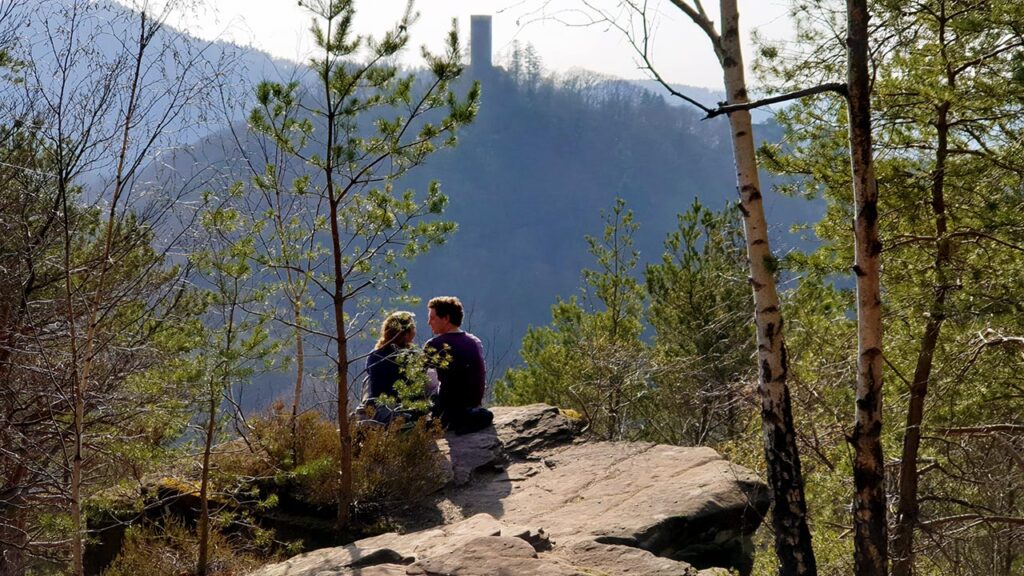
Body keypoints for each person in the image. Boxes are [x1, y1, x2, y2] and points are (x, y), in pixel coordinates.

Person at [423, 296, 494, 434]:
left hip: (447, 411)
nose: (428, 322)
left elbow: (417, 376)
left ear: (446, 318)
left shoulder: (435, 345)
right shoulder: (474, 342)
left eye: (432, 318)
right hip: (472, 406)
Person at [360, 311, 422, 424]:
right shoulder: (413, 355)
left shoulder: (375, 355)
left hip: (379, 408)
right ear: (406, 334)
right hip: (408, 407)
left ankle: (368, 410)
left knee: (368, 380)